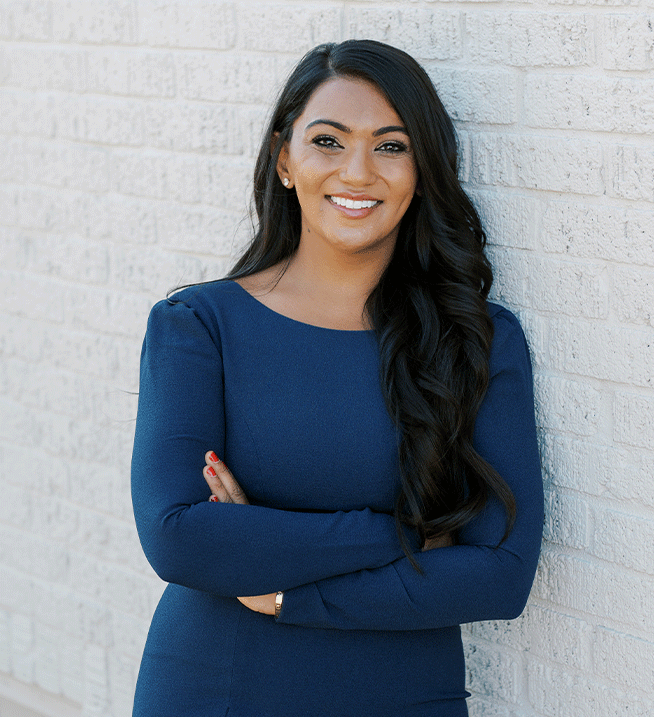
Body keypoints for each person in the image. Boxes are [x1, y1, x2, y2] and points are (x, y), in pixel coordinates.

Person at [130, 39, 544, 717]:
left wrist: (287, 586)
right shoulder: (198, 326)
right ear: (284, 159)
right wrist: (413, 535)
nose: (358, 171)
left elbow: (500, 575)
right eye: (328, 140)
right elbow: (180, 535)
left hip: (404, 694)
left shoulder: (476, 338)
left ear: (422, 169)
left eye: (391, 145)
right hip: (217, 688)